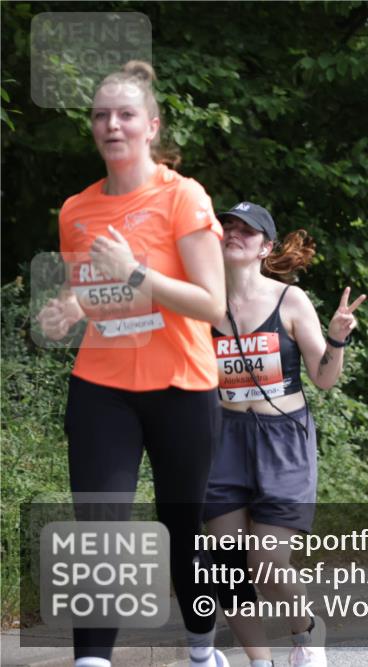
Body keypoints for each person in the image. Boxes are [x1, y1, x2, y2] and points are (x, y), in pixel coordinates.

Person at [37, 61, 229, 667]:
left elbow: (212, 304)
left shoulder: (183, 196)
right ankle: (91, 660)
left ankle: (201, 648)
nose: (111, 125)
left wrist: (136, 273)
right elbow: (99, 297)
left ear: (150, 126)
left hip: (182, 385)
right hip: (103, 387)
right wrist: (69, 309)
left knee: (183, 532)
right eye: (100, 115)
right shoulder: (76, 210)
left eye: (124, 115)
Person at [203, 202, 364, 667]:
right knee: (227, 566)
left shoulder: (289, 300)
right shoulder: (202, 303)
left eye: (246, 231)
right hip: (223, 439)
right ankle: (259, 660)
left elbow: (325, 378)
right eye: (227, 227)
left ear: (265, 247)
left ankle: (307, 630)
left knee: (268, 562)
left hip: (283, 439)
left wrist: (336, 339)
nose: (234, 234)